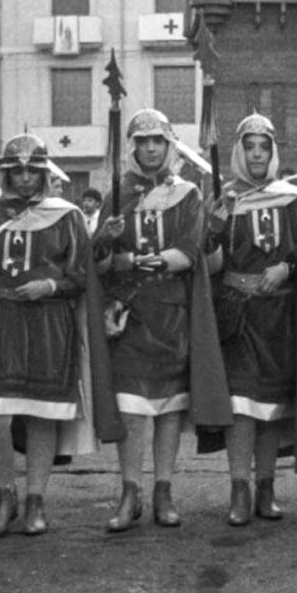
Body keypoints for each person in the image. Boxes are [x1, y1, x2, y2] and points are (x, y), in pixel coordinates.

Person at [0, 135, 118, 537]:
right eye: (16, 170)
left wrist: (48, 287)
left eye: (32, 170)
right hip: (0, 324)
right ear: (5, 172)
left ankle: (36, 499)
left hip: (50, 325)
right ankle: (5, 494)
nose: (24, 177)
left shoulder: (66, 214)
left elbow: (81, 275)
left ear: (44, 172)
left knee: (40, 415)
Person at [94, 109, 229, 532]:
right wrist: (106, 240)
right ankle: (130, 491)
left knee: (169, 409)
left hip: (172, 312)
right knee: (132, 410)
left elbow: (190, 249)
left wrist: (136, 259)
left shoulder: (188, 194)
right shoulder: (116, 193)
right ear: (132, 146)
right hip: (130, 316)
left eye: (158, 140)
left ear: (170, 146)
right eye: (142, 141)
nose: (150, 148)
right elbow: (98, 261)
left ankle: (164, 491)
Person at [207, 115, 297, 526]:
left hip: (278, 314)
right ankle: (239, 488)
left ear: (272, 153)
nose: (255, 154)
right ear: (238, 151)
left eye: (262, 147)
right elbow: (210, 263)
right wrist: (213, 226)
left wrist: (285, 269)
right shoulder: (224, 197)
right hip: (239, 314)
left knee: (271, 405)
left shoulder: (292, 199)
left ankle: (266, 487)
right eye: (249, 147)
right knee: (241, 406)